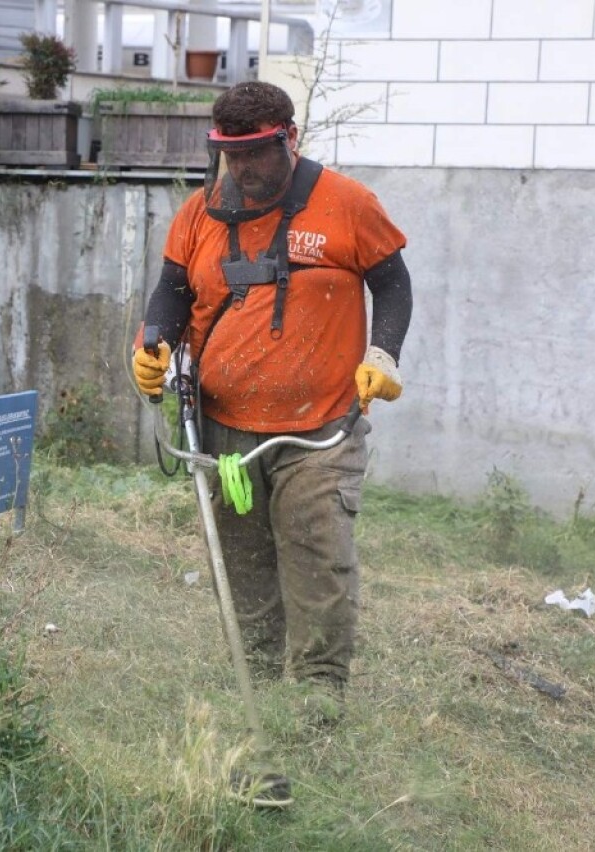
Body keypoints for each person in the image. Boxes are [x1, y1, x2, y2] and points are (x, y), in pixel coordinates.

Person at [132, 81, 412, 718]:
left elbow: (393, 286)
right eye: (231, 154)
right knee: (244, 564)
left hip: (319, 432)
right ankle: (255, 686)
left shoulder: (347, 204)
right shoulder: (200, 213)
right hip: (224, 430)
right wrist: (152, 343)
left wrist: (383, 354)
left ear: (290, 138)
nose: (244, 168)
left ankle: (315, 704)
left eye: (257, 152)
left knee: (317, 559)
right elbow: (173, 290)